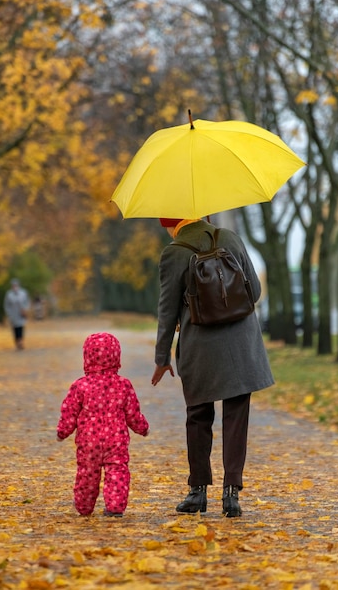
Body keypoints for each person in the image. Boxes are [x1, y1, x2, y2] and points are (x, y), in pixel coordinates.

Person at [151, 218, 274, 517]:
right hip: (241, 344)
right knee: (236, 415)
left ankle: (198, 492)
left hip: (200, 346)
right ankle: (231, 493)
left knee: (198, 416)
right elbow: (254, 291)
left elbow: (167, 310)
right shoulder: (230, 238)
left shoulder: (174, 251)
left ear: (171, 223)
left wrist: (161, 357)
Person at [56, 332, 149, 517]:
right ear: (117, 356)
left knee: (87, 474)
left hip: (88, 441)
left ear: (87, 356)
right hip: (116, 440)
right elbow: (132, 413)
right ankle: (115, 506)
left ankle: (84, 506)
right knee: (117, 471)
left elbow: (70, 412)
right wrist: (142, 427)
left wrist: (62, 431)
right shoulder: (123, 385)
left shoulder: (80, 386)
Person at [3, 278, 30, 350]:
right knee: (15, 328)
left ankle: (21, 341)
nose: (15, 287)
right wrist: (8, 313)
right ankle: (17, 342)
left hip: (21, 313)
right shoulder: (9, 294)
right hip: (13, 314)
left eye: (16, 285)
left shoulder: (23, 293)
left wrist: (25, 309)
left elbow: (27, 302)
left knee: (21, 327)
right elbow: (6, 305)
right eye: (13, 285)